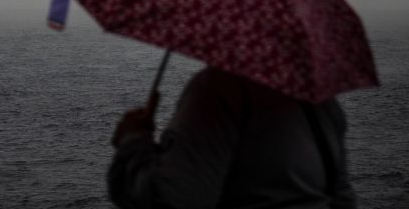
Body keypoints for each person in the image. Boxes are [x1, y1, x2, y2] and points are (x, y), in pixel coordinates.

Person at [108, 66, 357, 208]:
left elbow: (173, 202)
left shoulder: (218, 88)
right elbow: (343, 200)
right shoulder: (322, 102)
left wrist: (134, 140)